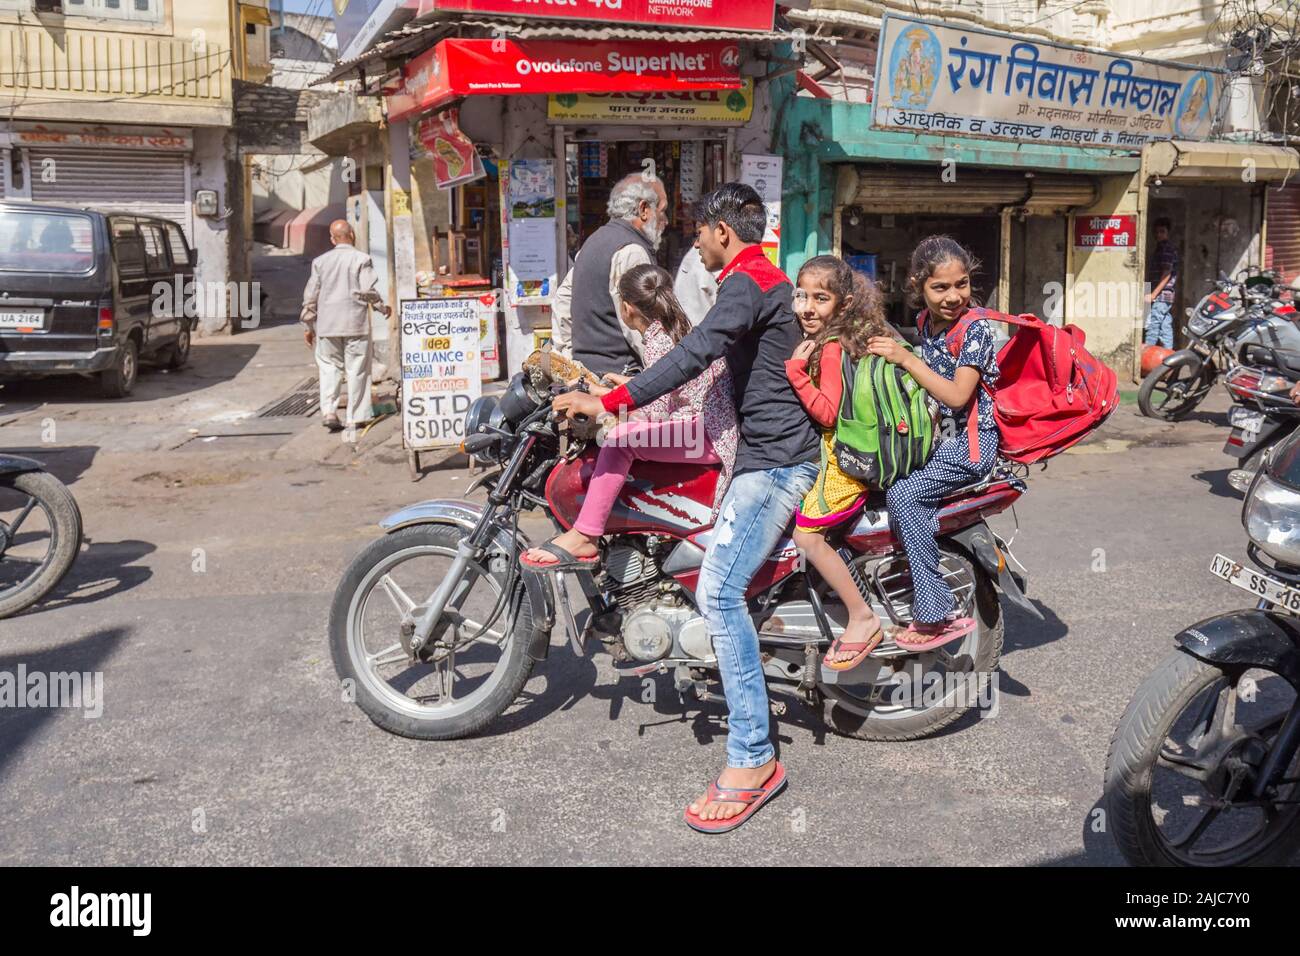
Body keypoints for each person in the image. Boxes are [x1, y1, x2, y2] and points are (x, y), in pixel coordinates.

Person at [553, 183, 820, 833]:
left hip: (775, 462)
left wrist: (611, 406)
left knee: (722, 594)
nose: (692, 240)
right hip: (764, 451)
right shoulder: (755, 281)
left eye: (699, 230)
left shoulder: (747, 281)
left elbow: (694, 355)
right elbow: (703, 363)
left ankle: (754, 759)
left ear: (721, 229)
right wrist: (624, 393)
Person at [520, 264, 738, 569]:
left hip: (703, 434)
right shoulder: (672, 328)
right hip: (704, 427)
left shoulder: (657, 340)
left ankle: (586, 534)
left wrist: (609, 406)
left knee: (617, 442)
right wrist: (619, 391)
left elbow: (657, 413)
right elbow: (669, 392)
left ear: (626, 307)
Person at [866, 235, 1000, 650]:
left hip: (970, 446)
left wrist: (906, 359)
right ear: (918, 285)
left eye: (961, 285)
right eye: (940, 288)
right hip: (938, 438)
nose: (953, 296)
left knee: (905, 495)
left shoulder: (976, 329)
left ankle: (935, 611)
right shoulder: (925, 322)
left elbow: (958, 396)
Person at [784, 257, 893, 671]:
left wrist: (796, 374)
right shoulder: (840, 336)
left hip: (843, 462)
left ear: (843, 305)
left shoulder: (831, 347)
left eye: (820, 298)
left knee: (808, 536)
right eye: (802, 296)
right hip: (839, 453)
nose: (807, 307)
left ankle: (862, 616)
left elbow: (828, 413)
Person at [550, 173, 669, 376]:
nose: (665, 220)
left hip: (589, 374)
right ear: (643, 210)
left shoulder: (593, 241)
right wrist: (662, 373)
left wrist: (568, 357)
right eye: (662, 211)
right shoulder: (632, 250)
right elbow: (638, 323)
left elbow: (562, 301)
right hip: (621, 375)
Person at [300, 220, 391, 432]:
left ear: (332, 239)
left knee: (329, 369)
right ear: (352, 234)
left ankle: (329, 412)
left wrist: (307, 325)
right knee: (357, 369)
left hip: (327, 325)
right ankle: (355, 417)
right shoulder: (361, 259)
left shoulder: (320, 262)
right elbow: (368, 290)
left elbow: (311, 295)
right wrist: (381, 307)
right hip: (355, 324)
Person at [1144, 217, 1179, 350]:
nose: (1159, 235)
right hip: (1164, 296)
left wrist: (1153, 294)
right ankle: (1169, 358)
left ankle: (1146, 356)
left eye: (1162, 232)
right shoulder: (1160, 248)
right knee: (1165, 327)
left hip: (1161, 296)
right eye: (1157, 232)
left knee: (1153, 326)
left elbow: (1167, 273)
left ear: (1167, 233)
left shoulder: (1166, 249)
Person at [674, 242, 719, 327]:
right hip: (701, 330)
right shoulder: (707, 257)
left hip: (690, 330)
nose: (696, 243)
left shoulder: (694, 255)